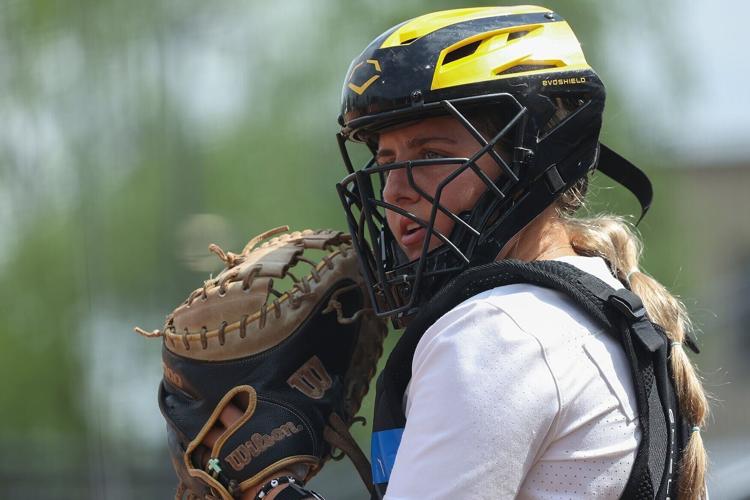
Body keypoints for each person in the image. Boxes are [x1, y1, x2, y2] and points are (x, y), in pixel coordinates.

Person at [210, 6, 709, 499]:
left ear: (529, 158)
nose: (395, 192)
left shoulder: (497, 333)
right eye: (386, 160)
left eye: (430, 156)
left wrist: (268, 491)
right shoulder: (591, 302)